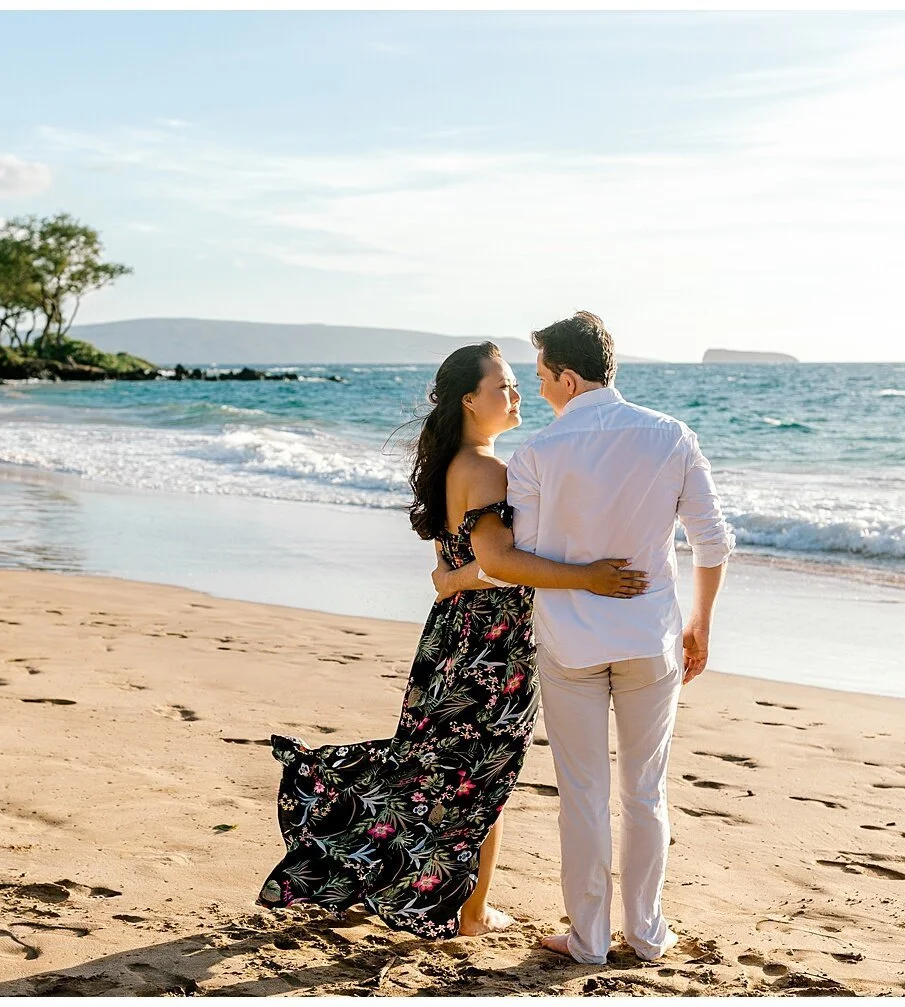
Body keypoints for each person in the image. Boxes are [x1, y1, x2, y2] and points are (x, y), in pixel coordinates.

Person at [256, 340, 649, 940]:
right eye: (503, 387)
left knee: (439, 771)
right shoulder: (487, 470)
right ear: (469, 400)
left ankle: (376, 877)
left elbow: (455, 566)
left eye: (519, 383)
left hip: (455, 637)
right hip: (493, 647)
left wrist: (450, 580)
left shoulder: (454, 464)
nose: (515, 394)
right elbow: (498, 561)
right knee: (480, 779)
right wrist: (590, 577)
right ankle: (470, 913)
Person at [441, 311, 735, 964]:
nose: (539, 389)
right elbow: (713, 540)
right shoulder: (671, 435)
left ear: (569, 379)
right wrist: (699, 622)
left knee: (583, 795)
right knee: (646, 790)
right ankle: (648, 933)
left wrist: (462, 569)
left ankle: (589, 939)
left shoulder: (538, 453)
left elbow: (531, 555)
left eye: (543, 376)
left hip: (569, 645)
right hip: (650, 640)